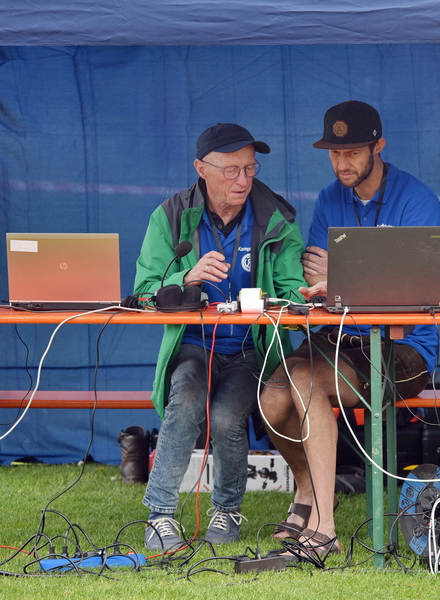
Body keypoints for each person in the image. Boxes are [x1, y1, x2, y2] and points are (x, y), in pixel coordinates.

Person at [260, 101, 440, 558]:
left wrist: (344, 277)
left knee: (304, 382)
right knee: (271, 399)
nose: (342, 163)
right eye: (334, 153)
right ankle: (309, 489)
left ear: (378, 147)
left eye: (353, 152)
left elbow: (420, 291)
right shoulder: (329, 198)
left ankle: (323, 530)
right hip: (338, 337)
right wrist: (362, 280)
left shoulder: (418, 201)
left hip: (403, 348)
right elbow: (312, 277)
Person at [133, 123, 307, 550]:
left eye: (250, 168)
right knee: (187, 400)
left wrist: (295, 299)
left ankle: (227, 509)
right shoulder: (170, 216)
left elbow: (293, 293)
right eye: (231, 170)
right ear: (201, 169)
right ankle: (160, 515)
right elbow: (144, 292)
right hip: (193, 344)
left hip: (251, 348)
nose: (243, 180)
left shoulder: (277, 218)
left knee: (228, 417)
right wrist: (186, 277)